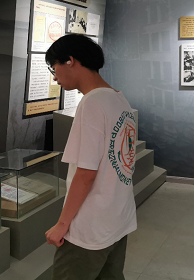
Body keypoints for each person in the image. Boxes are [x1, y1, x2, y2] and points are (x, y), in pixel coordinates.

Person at [45, 34, 137, 280]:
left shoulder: (92, 103)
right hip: (117, 217)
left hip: (90, 225)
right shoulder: (119, 98)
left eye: (54, 67)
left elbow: (86, 174)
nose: (54, 77)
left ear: (70, 61)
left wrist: (62, 224)